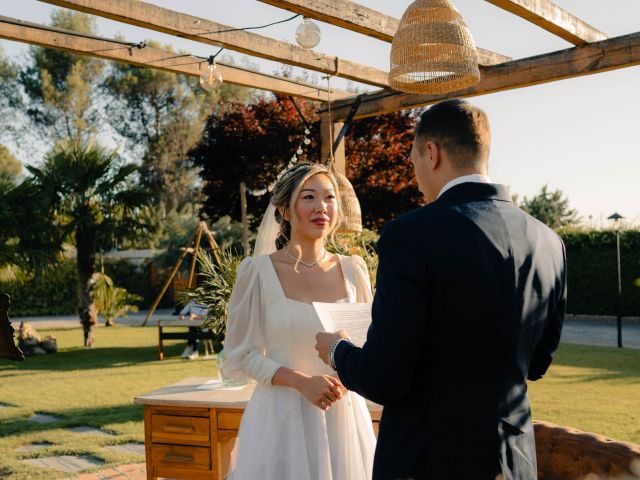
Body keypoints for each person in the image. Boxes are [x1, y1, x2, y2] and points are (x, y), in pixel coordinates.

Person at [316, 99, 567, 480]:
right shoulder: (549, 242)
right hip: (514, 462)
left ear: (431, 153)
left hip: (428, 460)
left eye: (414, 160)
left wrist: (337, 349)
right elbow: (538, 363)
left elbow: (386, 376)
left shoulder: (411, 235)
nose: (416, 175)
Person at [221, 162, 376, 480]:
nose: (322, 207)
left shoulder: (354, 270)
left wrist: (348, 374)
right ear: (285, 211)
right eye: (309, 197)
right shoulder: (257, 273)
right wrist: (302, 382)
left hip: (342, 419)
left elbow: (370, 344)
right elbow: (241, 355)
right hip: (282, 421)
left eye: (330, 197)